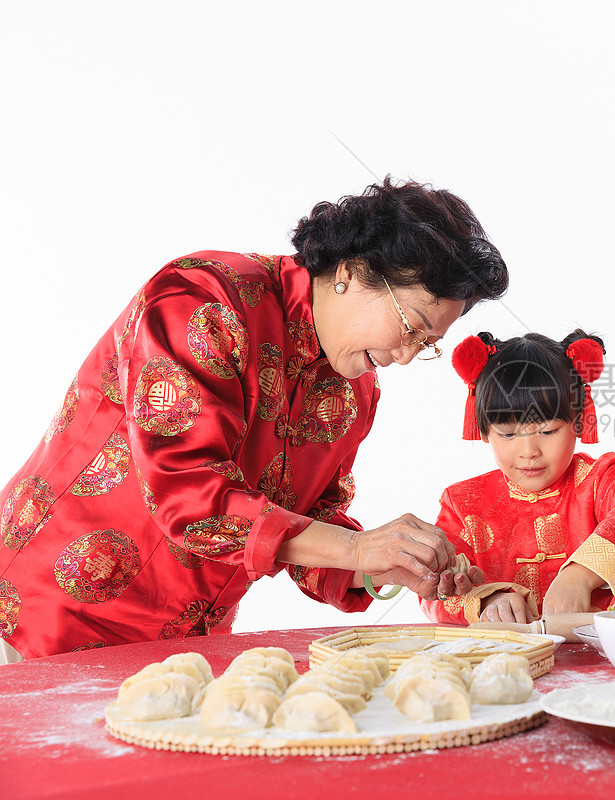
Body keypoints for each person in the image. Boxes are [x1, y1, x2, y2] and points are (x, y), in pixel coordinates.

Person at [0, 177, 509, 661]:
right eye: (411, 327)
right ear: (351, 272)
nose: (405, 357)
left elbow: (306, 527)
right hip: (40, 617)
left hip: (179, 648)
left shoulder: (355, 389)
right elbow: (189, 493)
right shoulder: (206, 299)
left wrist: (384, 563)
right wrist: (356, 548)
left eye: (426, 346)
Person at [419, 330, 615, 624]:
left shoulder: (601, 480)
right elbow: (434, 587)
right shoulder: (462, 503)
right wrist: (487, 599)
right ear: (483, 431)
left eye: (547, 431)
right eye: (507, 434)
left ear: (579, 421)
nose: (529, 451)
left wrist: (581, 575)